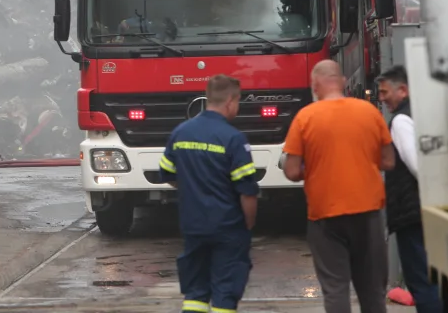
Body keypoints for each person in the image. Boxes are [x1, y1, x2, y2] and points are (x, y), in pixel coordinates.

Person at [282, 60, 396, 313]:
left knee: (335, 289)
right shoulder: (368, 112)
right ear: (342, 81)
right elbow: (388, 161)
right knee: (372, 290)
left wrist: (315, 168)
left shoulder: (305, 117)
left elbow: (291, 170)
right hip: (368, 211)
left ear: (315, 85)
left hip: (325, 214)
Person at [160, 74, 259, 313]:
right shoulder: (233, 139)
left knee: (195, 293)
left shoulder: (181, 132)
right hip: (228, 225)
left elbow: (167, 174)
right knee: (225, 292)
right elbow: (247, 192)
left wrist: (194, 189)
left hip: (193, 224)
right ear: (230, 101)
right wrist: (248, 226)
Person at [377, 66, 442, 312]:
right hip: (435, 209)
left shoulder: (402, 120)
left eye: (385, 92)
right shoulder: (428, 113)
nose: (381, 98)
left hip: (413, 212)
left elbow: (418, 166)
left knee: (422, 282)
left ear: (402, 90)